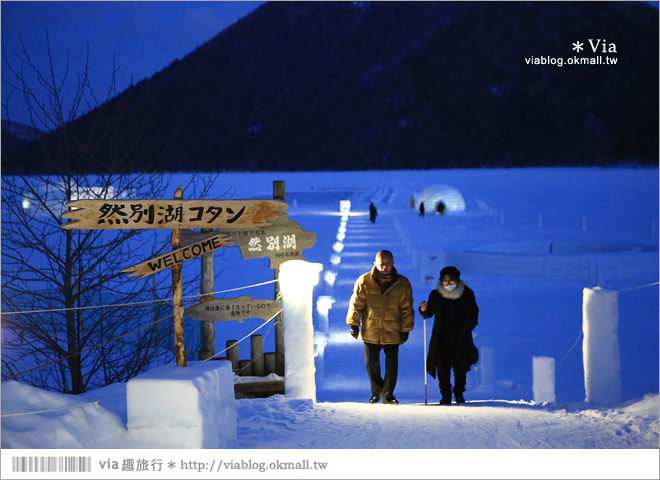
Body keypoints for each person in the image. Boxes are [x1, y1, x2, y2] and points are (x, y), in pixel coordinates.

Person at [347, 250, 414, 405]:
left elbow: (407, 309)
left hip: (392, 330)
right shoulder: (364, 281)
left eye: (388, 263)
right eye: (381, 263)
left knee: (392, 364)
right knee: (371, 363)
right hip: (371, 329)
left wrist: (405, 329)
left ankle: (389, 394)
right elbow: (356, 304)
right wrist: (354, 324)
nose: (384, 266)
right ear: (375, 263)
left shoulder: (402, 284)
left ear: (393, 263)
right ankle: (377, 392)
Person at [419, 266, 479, 404]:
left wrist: (467, 329)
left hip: (461, 337)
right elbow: (428, 314)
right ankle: (445, 395)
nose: (448, 284)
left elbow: (474, 314)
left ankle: (459, 393)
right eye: (445, 281)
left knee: (460, 367)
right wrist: (423, 309)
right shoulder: (436, 295)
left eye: (451, 281)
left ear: (457, 280)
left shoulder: (466, 293)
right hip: (441, 338)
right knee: (442, 368)